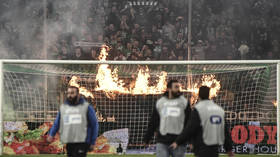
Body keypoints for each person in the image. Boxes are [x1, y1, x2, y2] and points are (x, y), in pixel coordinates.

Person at [170, 86, 234, 157]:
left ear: (199, 95)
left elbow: (190, 128)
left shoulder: (198, 109)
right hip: (214, 148)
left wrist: (178, 141)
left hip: (201, 147)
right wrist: (229, 150)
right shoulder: (219, 110)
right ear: (209, 95)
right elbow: (225, 131)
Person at [143, 80, 191, 157]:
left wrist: (190, 140)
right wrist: (147, 138)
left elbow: (189, 123)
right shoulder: (160, 102)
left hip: (178, 141)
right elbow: (154, 121)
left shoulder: (184, 102)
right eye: (176, 87)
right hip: (162, 140)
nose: (178, 89)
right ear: (168, 89)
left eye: (178, 87)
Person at [47, 86, 99, 157]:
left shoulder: (87, 108)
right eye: (68, 93)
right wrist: (51, 135)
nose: (69, 95)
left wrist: (92, 142)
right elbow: (57, 122)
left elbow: (94, 125)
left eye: (72, 93)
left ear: (78, 94)